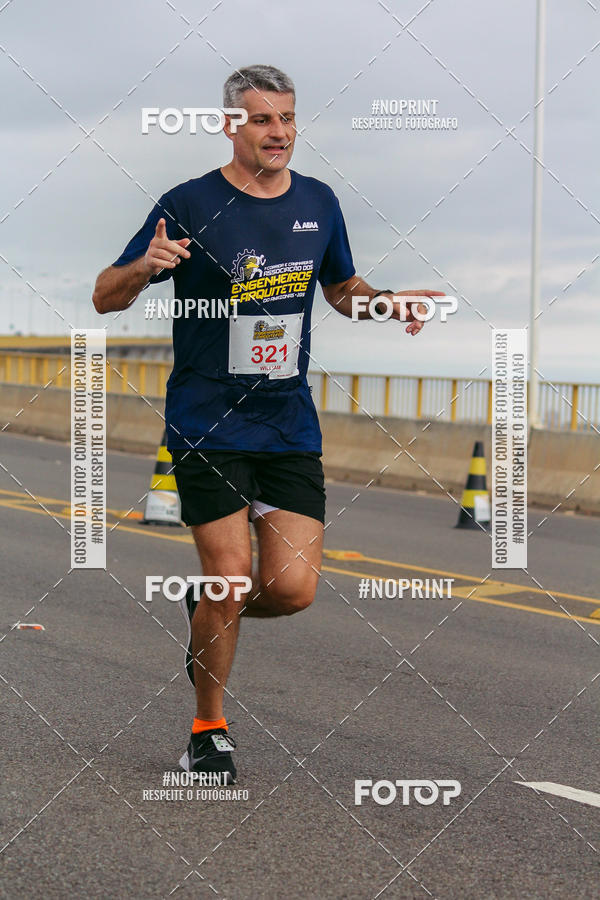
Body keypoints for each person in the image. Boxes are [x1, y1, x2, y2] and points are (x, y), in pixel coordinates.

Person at [92, 64, 444, 783]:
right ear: (230, 124)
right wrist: (144, 267)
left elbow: (344, 290)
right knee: (229, 574)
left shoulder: (319, 202)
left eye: (286, 119)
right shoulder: (189, 203)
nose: (278, 132)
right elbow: (105, 295)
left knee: (291, 589)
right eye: (261, 119)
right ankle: (208, 731)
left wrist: (389, 303)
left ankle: (205, 611)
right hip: (206, 422)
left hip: (288, 423)